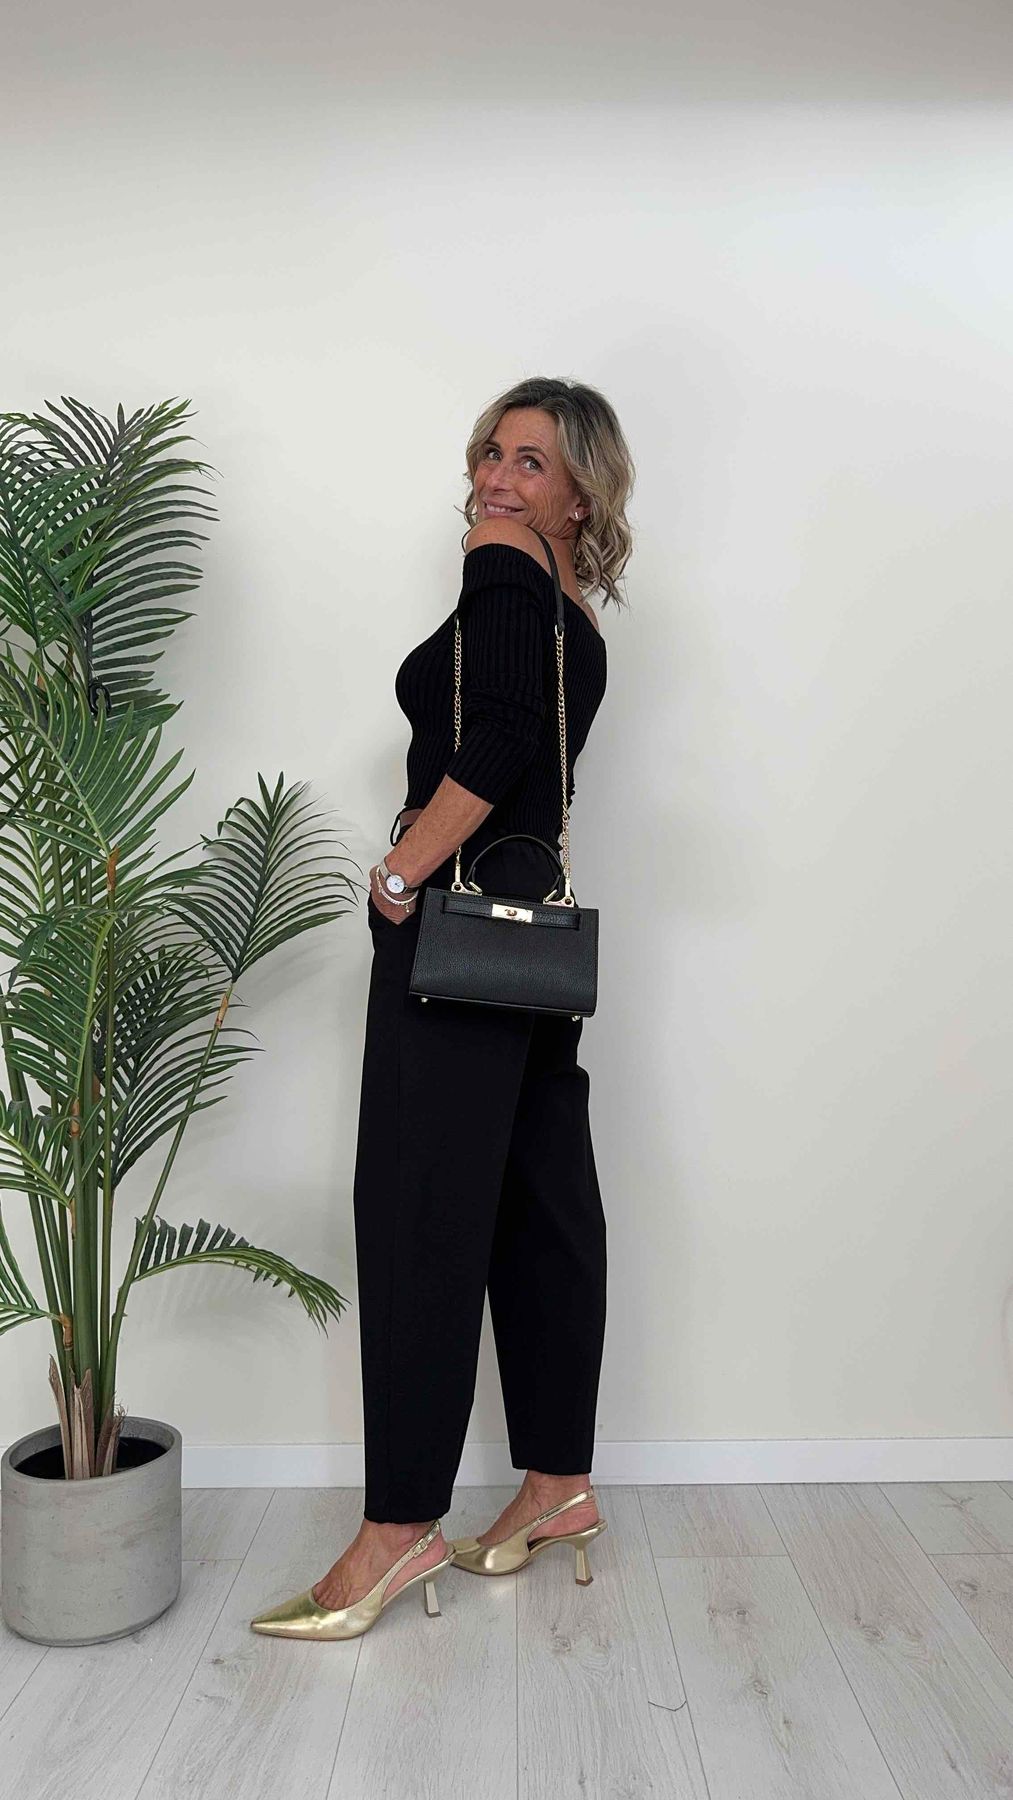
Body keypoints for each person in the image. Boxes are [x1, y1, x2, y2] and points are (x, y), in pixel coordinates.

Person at [251, 375, 635, 1641]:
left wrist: (401, 872)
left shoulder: (504, 568)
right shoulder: (574, 613)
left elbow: (503, 734)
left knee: (419, 1217)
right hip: (533, 960)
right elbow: (534, 741)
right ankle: (557, 1485)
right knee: (540, 1212)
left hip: (456, 942)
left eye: (530, 462)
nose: (494, 480)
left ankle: (396, 1528)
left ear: (578, 498)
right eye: (489, 453)